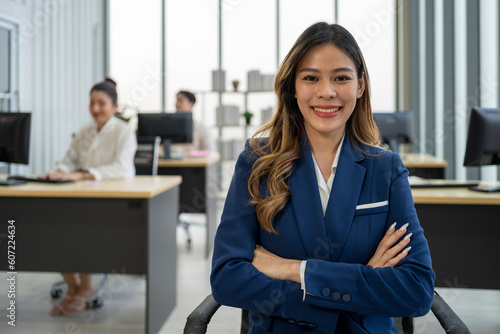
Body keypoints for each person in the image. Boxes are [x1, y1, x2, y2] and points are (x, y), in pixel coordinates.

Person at [210, 22, 435, 333]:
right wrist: (361, 279)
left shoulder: (385, 169)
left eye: (341, 78)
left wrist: (294, 270)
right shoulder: (257, 162)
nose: (326, 92)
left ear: (360, 85)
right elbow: (227, 278)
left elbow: (417, 290)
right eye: (311, 78)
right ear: (293, 87)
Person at [44, 78, 137, 316]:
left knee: (82, 228)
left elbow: (122, 168)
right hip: (80, 196)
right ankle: (74, 286)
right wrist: (61, 172)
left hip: (113, 200)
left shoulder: (124, 132)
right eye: (92, 103)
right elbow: (69, 159)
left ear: (114, 106)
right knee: (53, 227)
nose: (95, 108)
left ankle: (85, 287)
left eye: (102, 103)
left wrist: (83, 174)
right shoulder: (85, 131)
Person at [171, 90, 216, 155]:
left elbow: (210, 149)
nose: (177, 104)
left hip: (195, 163)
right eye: (177, 101)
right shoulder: (170, 126)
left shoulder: (201, 126)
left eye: (180, 101)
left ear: (191, 104)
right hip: (171, 164)